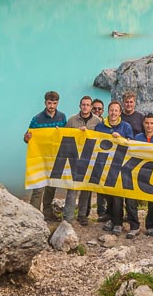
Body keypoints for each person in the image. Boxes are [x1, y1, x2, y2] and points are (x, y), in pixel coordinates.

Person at [24, 90, 66, 221]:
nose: (52, 106)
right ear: (45, 103)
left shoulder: (62, 117)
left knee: (51, 186)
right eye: (49, 103)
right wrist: (27, 137)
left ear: (57, 103)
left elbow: (66, 136)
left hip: (55, 158)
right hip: (40, 158)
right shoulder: (37, 119)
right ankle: (34, 215)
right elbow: (27, 138)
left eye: (54, 103)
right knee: (38, 188)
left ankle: (48, 213)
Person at [95, 101, 134, 235]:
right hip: (104, 166)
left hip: (120, 166)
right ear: (108, 111)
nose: (113, 113)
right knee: (108, 194)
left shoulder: (125, 126)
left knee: (117, 195)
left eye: (116, 110)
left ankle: (118, 223)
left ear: (120, 112)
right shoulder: (100, 127)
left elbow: (131, 145)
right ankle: (111, 218)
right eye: (111, 110)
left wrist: (121, 138)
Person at [63, 95, 100, 225]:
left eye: (88, 105)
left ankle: (83, 215)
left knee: (86, 188)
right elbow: (64, 137)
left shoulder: (97, 121)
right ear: (80, 106)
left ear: (91, 107)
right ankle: (68, 216)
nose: (85, 107)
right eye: (83, 104)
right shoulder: (72, 120)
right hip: (74, 158)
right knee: (72, 188)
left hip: (90, 159)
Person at [118, 91, 144, 233]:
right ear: (123, 103)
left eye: (131, 102)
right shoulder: (118, 116)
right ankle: (117, 220)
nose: (129, 104)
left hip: (134, 158)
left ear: (135, 102)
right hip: (119, 157)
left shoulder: (140, 117)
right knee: (117, 190)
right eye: (126, 102)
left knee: (131, 191)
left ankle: (134, 223)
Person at [90, 98, 108, 221]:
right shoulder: (89, 122)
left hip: (103, 159)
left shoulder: (106, 123)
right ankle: (85, 212)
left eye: (99, 109)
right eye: (94, 108)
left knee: (102, 186)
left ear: (103, 110)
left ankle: (102, 211)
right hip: (89, 158)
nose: (97, 111)